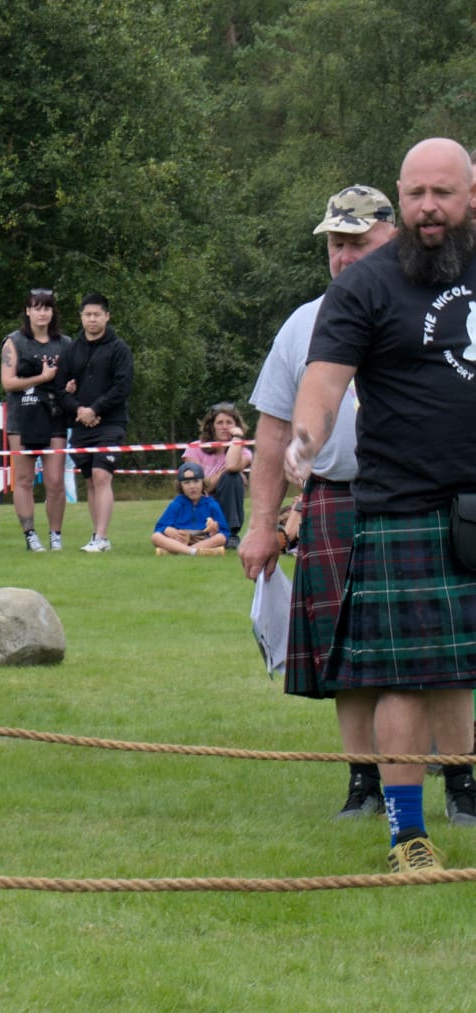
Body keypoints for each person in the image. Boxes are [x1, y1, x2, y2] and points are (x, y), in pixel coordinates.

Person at [288, 137, 476, 873]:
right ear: (401, 198)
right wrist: (305, 442)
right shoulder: (365, 285)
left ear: (471, 195)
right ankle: (407, 835)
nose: (429, 208)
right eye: (417, 194)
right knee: (402, 674)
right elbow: (324, 379)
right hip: (406, 504)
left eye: (444, 193)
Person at [241, 183, 396, 820]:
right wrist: (260, 525)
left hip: (428, 493)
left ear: (393, 236)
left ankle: (460, 779)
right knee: (347, 648)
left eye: (357, 241)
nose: (343, 255)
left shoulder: (434, 308)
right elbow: (273, 433)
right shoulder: (304, 323)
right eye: (335, 242)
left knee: (437, 651)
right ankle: (364, 781)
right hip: (338, 497)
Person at [0, 289, 73, 551]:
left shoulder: (65, 344)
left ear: (53, 312)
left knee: (55, 480)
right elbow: (7, 381)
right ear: (28, 311)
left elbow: (72, 378)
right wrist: (41, 379)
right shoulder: (14, 342)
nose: (42, 313)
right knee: (24, 479)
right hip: (23, 418)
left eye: (47, 308)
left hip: (55, 417)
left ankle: (56, 534)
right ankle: (30, 534)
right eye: (37, 308)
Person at [62, 293, 134, 552]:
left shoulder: (119, 349)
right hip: (81, 424)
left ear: (107, 316)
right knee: (91, 479)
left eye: (97, 314)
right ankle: (96, 536)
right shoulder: (71, 350)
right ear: (81, 317)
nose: (92, 319)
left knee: (103, 475)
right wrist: (79, 410)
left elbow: (122, 386)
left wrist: (96, 409)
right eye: (87, 315)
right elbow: (61, 388)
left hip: (111, 423)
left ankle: (102, 537)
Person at [183, 404, 252, 548]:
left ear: (236, 426)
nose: (224, 427)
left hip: (225, 505)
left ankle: (230, 534)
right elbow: (201, 488)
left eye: (229, 423)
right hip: (201, 505)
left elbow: (233, 466)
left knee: (233, 477)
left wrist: (237, 437)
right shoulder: (195, 448)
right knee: (231, 475)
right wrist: (225, 472)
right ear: (212, 426)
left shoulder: (243, 453)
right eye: (220, 423)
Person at [151, 461, 229, 555]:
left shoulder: (211, 504)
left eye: (196, 481)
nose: (192, 486)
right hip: (180, 539)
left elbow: (224, 532)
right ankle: (193, 551)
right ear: (181, 486)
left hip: (203, 540)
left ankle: (179, 551)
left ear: (203, 483)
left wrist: (214, 529)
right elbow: (159, 527)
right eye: (187, 483)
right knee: (156, 537)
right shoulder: (177, 504)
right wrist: (168, 530)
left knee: (221, 538)